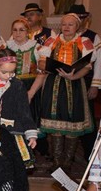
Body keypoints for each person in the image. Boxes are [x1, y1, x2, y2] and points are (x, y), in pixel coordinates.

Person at [35, 13, 97, 173]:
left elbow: (87, 65)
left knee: (73, 122)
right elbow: (41, 60)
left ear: (77, 27)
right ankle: (57, 162)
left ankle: (68, 162)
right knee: (55, 122)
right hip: (54, 84)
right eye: (64, 24)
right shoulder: (52, 40)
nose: (66, 27)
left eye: (70, 24)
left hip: (74, 85)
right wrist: (46, 65)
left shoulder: (84, 41)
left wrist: (73, 76)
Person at [0, 49, 39, 169]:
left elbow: (24, 112)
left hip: (10, 132)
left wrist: (31, 134)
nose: (8, 75)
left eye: (12, 72)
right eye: (4, 72)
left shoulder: (17, 86)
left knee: (9, 167)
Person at [69, 4, 101, 161]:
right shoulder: (64, 36)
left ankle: (90, 154)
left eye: (81, 17)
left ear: (86, 19)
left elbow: (100, 61)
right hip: (67, 82)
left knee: (87, 118)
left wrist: (95, 85)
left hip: (85, 81)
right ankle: (67, 155)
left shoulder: (92, 37)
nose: (78, 20)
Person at [6, 18, 44, 157]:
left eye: (21, 30)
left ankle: (30, 152)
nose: (18, 33)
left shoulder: (37, 48)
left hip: (29, 87)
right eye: (15, 30)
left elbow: (42, 73)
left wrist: (31, 93)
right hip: (10, 86)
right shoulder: (7, 47)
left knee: (28, 119)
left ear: (28, 31)